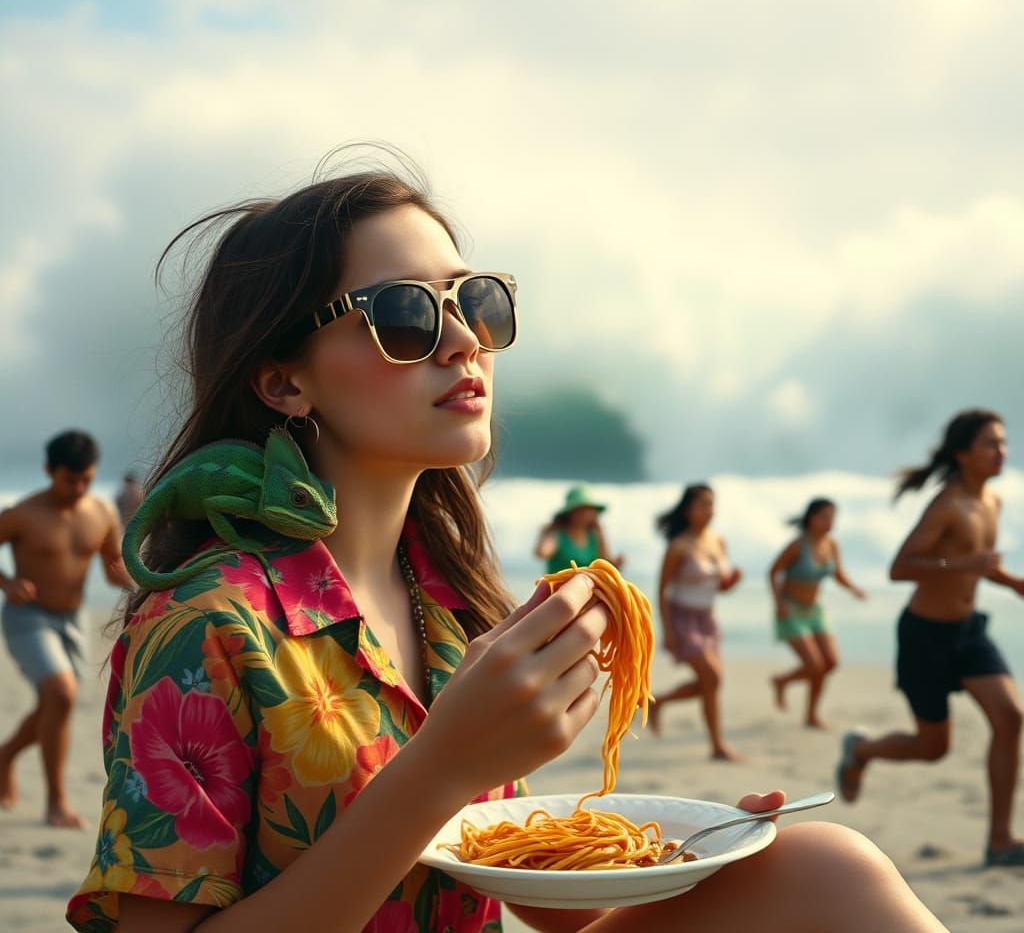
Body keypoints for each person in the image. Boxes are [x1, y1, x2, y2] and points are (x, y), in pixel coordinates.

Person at [68, 160, 944, 932]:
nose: (463, 340)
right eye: (404, 317)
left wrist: (684, 858)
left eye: (475, 301)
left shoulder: (446, 596)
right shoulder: (205, 625)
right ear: (283, 380)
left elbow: (515, 889)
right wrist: (443, 766)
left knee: (823, 867)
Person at [837, 409, 1024, 868]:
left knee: (1011, 717)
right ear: (963, 454)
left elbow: (975, 560)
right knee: (932, 749)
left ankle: (1000, 840)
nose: (1001, 451)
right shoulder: (947, 505)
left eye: (1002, 442)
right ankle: (861, 749)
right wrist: (965, 567)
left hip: (968, 632)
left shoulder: (991, 502)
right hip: (925, 637)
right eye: (990, 444)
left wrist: (1013, 583)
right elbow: (900, 568)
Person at [0, 430, 130, 828]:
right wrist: (7, 582)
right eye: (69, 479)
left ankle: (4, 758)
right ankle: (56, 802)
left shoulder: (102, 512)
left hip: (72, 622)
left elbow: (114, 570)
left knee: (58, 703)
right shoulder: (23, 513)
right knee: (62, 691)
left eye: (86, 479)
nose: (78, 488)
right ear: (48, 472)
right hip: (28, 616)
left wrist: (151, 587)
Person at [648, 484, 743, 760]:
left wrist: (732, 583)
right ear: (688, 510)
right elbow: (662, 589)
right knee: (712, 677)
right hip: (682, 617)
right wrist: (666, 629)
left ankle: (659, 702)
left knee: (709, 682)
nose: (709, 510)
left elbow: (720, 585)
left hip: (708, 618)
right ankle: (718, 746)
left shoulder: (718, 541)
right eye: (703, 504)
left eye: (712, 504)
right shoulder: (678, 546)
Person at [767, 498, 867, 729]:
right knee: (814, 665)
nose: (831, 521)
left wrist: (854, 589)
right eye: (825, 516)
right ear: (811, 519)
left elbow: (838, 574)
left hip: (815, 609)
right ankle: (785, 685)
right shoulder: (797, 546)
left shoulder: (832, 545)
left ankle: (809, 712)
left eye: (833, 516)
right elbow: (773, 572)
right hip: (791, 608)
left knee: (830, 662)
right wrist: (778, 602)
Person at [534, 484, 623, 572]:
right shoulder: (558, 535)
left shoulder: (594, 537)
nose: (586, 514)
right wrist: (546, 532)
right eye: (581, 510)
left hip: (586, 585)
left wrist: (601, 533)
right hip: (557, 585)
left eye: (589, 510)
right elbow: (542, 552)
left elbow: (605, 564)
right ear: (571, 513)